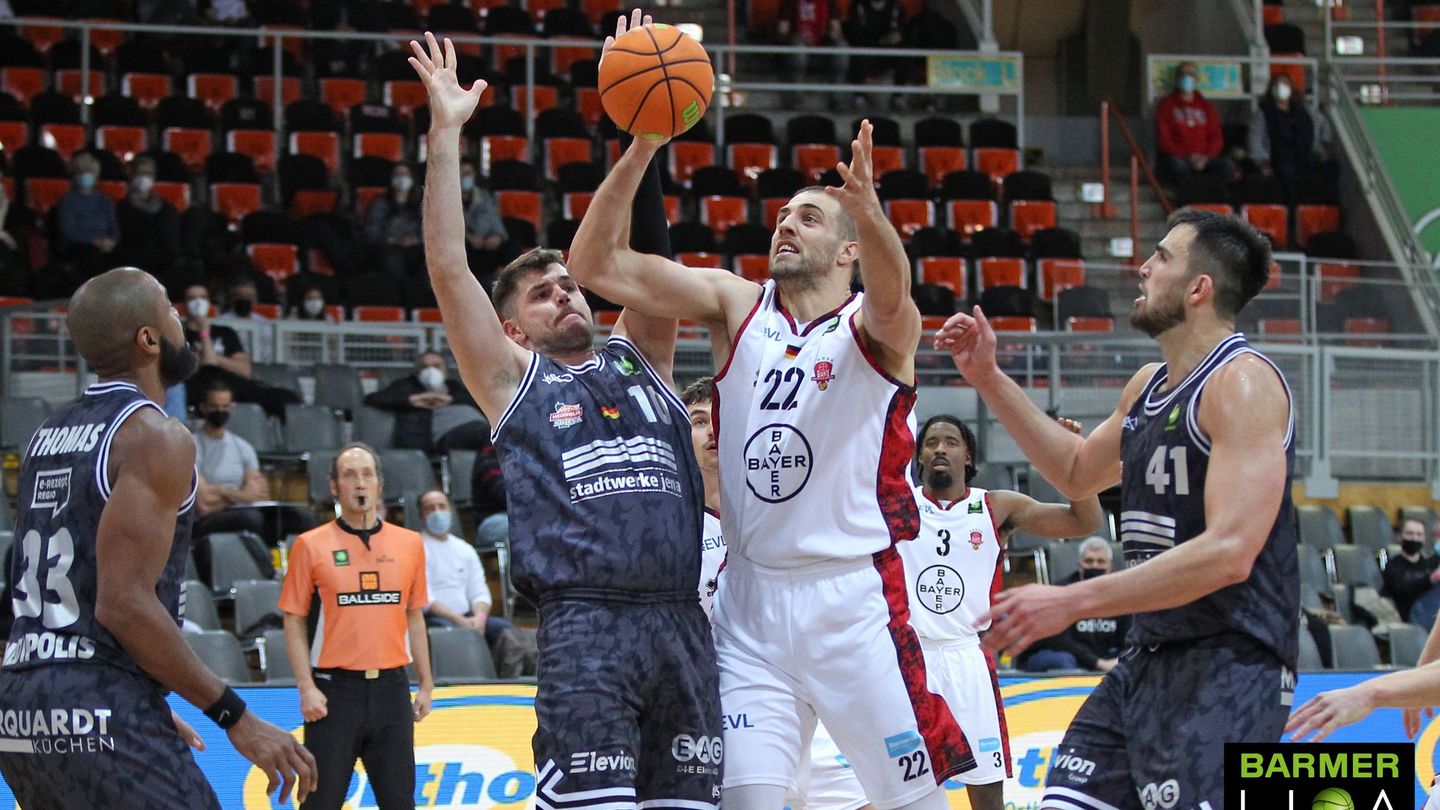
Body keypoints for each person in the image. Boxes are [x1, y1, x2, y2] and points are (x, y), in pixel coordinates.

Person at [567, 96, 972, 807]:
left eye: (808, 217)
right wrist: (642, 146)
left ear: (849, 250)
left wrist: (871, 211)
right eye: (782, 215)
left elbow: (895, 294)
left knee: (916, 803)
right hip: (751, 606)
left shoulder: (875, 328)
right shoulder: (736, 305)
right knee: (749, 800)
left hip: (854, 601)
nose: (785, 224)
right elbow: (593, 262)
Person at [409, 19, 722, 807]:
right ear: (513, 327)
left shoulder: (638, 356)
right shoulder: (514, 378)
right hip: (587, 631)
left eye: (570, 285)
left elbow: (653, 260)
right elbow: (450, 269)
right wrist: (446, 133)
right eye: (543, 294)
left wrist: (646, 137)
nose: (565, 294)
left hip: (681, 625)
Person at [936, 208, 1298, 810]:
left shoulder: (1243, 384)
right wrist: (988, 376)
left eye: (1161, 256)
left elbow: (1231, 553)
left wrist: (1072, 599)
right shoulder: (1147, 386)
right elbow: (1076, 471)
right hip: (1147, 659)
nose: (1143, 266)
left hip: (1230, 664)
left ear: (1198, 288)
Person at [0, 266, 314, 807]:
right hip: (95, 700)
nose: (181, 321)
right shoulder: (154, 435)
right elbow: (121, 604)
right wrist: (235, 718)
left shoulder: (45, 435)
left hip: (22, 703)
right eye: (170, 309)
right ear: (148, 339)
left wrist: (132, 694)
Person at [681, 376, 872, 810]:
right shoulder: (671, 524)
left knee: (866, 798)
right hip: (705, 697)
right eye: (697, 421)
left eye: (720, 417)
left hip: (791, 683)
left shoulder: (781, 509)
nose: (711, 429)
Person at [898, 415, 1101, 810]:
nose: (940, 448)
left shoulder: (994, 506)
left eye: (951, 442)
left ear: (968, 455)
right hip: (909, 659)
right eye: (931, 442)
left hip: (967, 656)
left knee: (987, 794)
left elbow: (1084, 521)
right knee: (909, 792)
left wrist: (1075, 458)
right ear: (919, 456)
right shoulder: (897, 503)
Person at [279, 442, 434, 809]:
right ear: (334, 486)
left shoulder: (410, 543)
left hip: (392, 690)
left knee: (400, 802)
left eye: (367, 475)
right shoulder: (310, 545)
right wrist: (306, 687)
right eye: (349, 475)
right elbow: (293, 619)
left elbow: (414, 615)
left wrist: (426, 682)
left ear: (380, 484)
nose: (359, 483)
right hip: (334, 693)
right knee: (320, 802)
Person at [191, 379, 314, 544]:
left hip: (240, 510)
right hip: (205, 521)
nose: (220, 411)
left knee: (300, 519)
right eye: (214, 406)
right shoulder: (192, 445)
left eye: (225, 406)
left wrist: (220, 492)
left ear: (232, 407)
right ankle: (267, 569)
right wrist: (240, 495)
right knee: (251, 519)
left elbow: (259, 495)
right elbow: (204, 504)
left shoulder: (242, 446)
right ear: (203, 407)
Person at [182, 283, 300, 418]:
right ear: (184, 304)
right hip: (199, 387)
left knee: (287, 398)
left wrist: (213, 357)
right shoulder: (179, 333)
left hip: (231, 383)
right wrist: (204, 332)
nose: (198, 302)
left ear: (209, 302)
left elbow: (244, 369)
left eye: (202, 297)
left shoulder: (225, 332)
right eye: (192, 298)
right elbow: (208, 365)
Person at [417, 489, 515, 651]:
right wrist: (459, 620)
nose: (437, 512)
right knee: (448, 630)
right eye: (430, 508)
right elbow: (425, 599)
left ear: (451, 511)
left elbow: (480, 593)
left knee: (506, 630)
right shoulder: (416, 547)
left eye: (442, 506)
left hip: (470, 616)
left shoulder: (465, 549)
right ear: (421, 515)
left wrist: (480, 618)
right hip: (436, 619)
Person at [1017, 536, 1130, 673]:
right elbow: (1060, 642)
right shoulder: (1061, 591)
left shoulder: (1121, 596)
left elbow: (1127, 639)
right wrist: (1099, 663)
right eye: (1089, 561)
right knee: (1064, 661)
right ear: (1080, 565)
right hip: (1053, 654)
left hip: (1097, 657)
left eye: (1101, 562)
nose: (1095, 566)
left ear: (1110, 567)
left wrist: (1116, 660)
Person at [363, 350, 490, 454]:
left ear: (445, 370)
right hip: (440, 436)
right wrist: (412, 400)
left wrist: (451, 399)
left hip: (476, 426)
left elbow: (479, 401)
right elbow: (372, 399)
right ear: (418, 371)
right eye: (425, 367)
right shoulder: (407, 386)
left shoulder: (454, 387)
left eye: (436, 366)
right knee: (491, 435)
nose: (431, 371)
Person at [50, 152, 120, 295]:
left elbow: (114, 228)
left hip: (103, 248)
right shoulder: (67, 201)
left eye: (89, 171)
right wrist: (94, 241)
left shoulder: (104, 200)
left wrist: (111, 241)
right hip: (75, 249)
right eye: (82, 172)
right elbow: (68, 231)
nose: (86, 175)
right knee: (91, 258)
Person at [1155, 62, 1234, 185]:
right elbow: (1164, 139)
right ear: (1177, 78)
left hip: (1205, 159)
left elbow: (1216, 138)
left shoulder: (1207, 106)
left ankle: (1209, 196)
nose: (1187, 77)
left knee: (1227, 166)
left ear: (1196, 80)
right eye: (1183, 74)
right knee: (1178, 167)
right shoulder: (1166, 105)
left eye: (1191, 74)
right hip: (1179, 158)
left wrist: (1205, 157)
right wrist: (1188, 156)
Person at [1247, 73, 1323, 193]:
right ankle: (1292, 208)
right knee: (1287, 171)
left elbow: (1311, 135)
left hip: (1301, 157)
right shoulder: (1264, 112)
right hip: (1276, 159)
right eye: (1277, 84)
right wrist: (1262, 162)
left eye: (1285, 84)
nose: (1281, 87)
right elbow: (1255, 138)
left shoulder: (1302, 112)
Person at [114, 155, 183, 287]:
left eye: (148, 173)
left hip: (162, 266)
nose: (144, 177)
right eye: (140, 173)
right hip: (131, 265)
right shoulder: (121, 208)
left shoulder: (167, 209)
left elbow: (172, 243)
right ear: (132, 175)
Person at [365, 162, 425, 279]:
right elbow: (371, 233)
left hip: (415, 248)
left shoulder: (421, 204)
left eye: (405, 174)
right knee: (392, 260)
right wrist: (393, 240)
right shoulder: (380, 203)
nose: (401, 178)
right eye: (397, 174)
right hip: (388, 248)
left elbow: (429, 231)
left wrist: (415, 241)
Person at [459, 156, 513, 281]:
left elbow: (496, 222)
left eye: (468, 174)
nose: (464, 178)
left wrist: (497, 236)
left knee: (512, 247)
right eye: (461, 174)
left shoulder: (484, 196)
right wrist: (469, 237)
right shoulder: (448, 199)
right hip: (465, 247)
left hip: (486, 244)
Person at [1383, 518, 1440, 625]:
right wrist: (1431, 579)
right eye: (1410, 534)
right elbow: (1403, 590)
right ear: (1399, 537)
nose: (1415, 538)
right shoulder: (1392, 567)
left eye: (1419, 535)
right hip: (1408, 621)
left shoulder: (1429, 564)